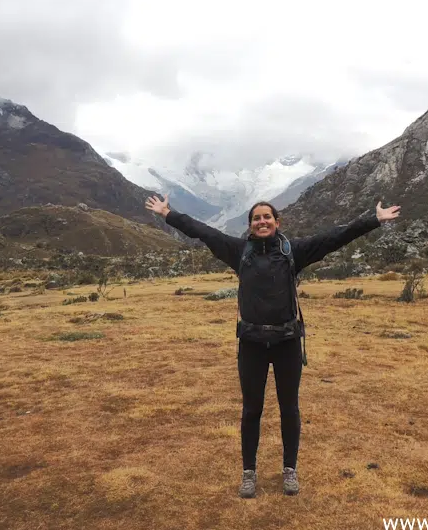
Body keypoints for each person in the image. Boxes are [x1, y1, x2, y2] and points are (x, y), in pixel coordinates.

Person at [145, 193, 401, 498]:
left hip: (287, 342)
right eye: (256, 218)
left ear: (277, 222)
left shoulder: (294, 251)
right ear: (250, 225)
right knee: (251, 409)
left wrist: (373, 220)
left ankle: (289, 469)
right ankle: (248, 472)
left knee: (289, 408)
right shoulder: (238, 251)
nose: (262, 221)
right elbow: (202, 231)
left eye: (267, 217)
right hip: (251, 343)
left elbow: (334, 238)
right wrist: (168, 214)